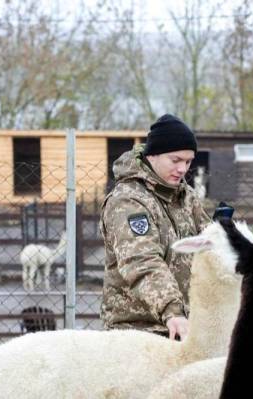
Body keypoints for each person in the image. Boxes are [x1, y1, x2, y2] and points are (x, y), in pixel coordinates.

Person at [100, 114, 211, 341]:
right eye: (176, 160)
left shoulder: (184, 196)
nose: (183, 169)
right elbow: (141, 261)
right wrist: (172, 310)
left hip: (181, 327)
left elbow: (209, 239)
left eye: (188, 162)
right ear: (153, 155)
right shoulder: (128, 201)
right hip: (138, 331)